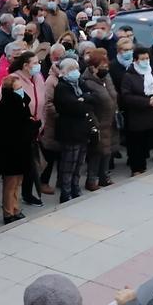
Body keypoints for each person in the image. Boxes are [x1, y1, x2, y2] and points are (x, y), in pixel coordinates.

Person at [0, 75, 39, 223]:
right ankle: (8, 212)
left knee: (18, 181)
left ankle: (16, 208)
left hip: (21, 149)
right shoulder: (4, 107)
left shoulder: (21, 104)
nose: (21, 91)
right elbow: (10, 130)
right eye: (18, 89)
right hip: (10, 151)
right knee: (10, 183)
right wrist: (30, 125)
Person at [51, 58, 96, 201]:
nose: (74, 72)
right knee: (69, 163)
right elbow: (74, 107)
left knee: (80, 161)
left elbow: (92, 99)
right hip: (69, 130)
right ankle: (66, 191)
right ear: (63, 72)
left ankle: (76, 187)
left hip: (83, 129)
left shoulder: (80, 83)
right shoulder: (62, 87)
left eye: (75, 69)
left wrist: (83, 99)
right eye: (70, 70)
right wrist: (83, 100)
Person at [119, 47, 153, 175]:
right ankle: (137, 168)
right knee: (137, 143)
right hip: (138, 115)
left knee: (150, 141)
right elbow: (126, 96)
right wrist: (146, 102)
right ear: (135, 60)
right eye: (142, 59)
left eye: (147, 58)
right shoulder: (129, 76)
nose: (145, 61)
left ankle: (150, 161)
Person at [81, 49, 118, 190]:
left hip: (109, 121)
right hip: (98, 122)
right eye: (101, 67)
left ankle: (104, 177)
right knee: (97, 153)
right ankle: (91, 180)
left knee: (107, 151)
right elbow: (89, 106)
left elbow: (113, 95)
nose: (105, 70)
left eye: (106, 67)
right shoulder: (88, 82)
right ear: (92, 67)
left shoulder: (106, 78)